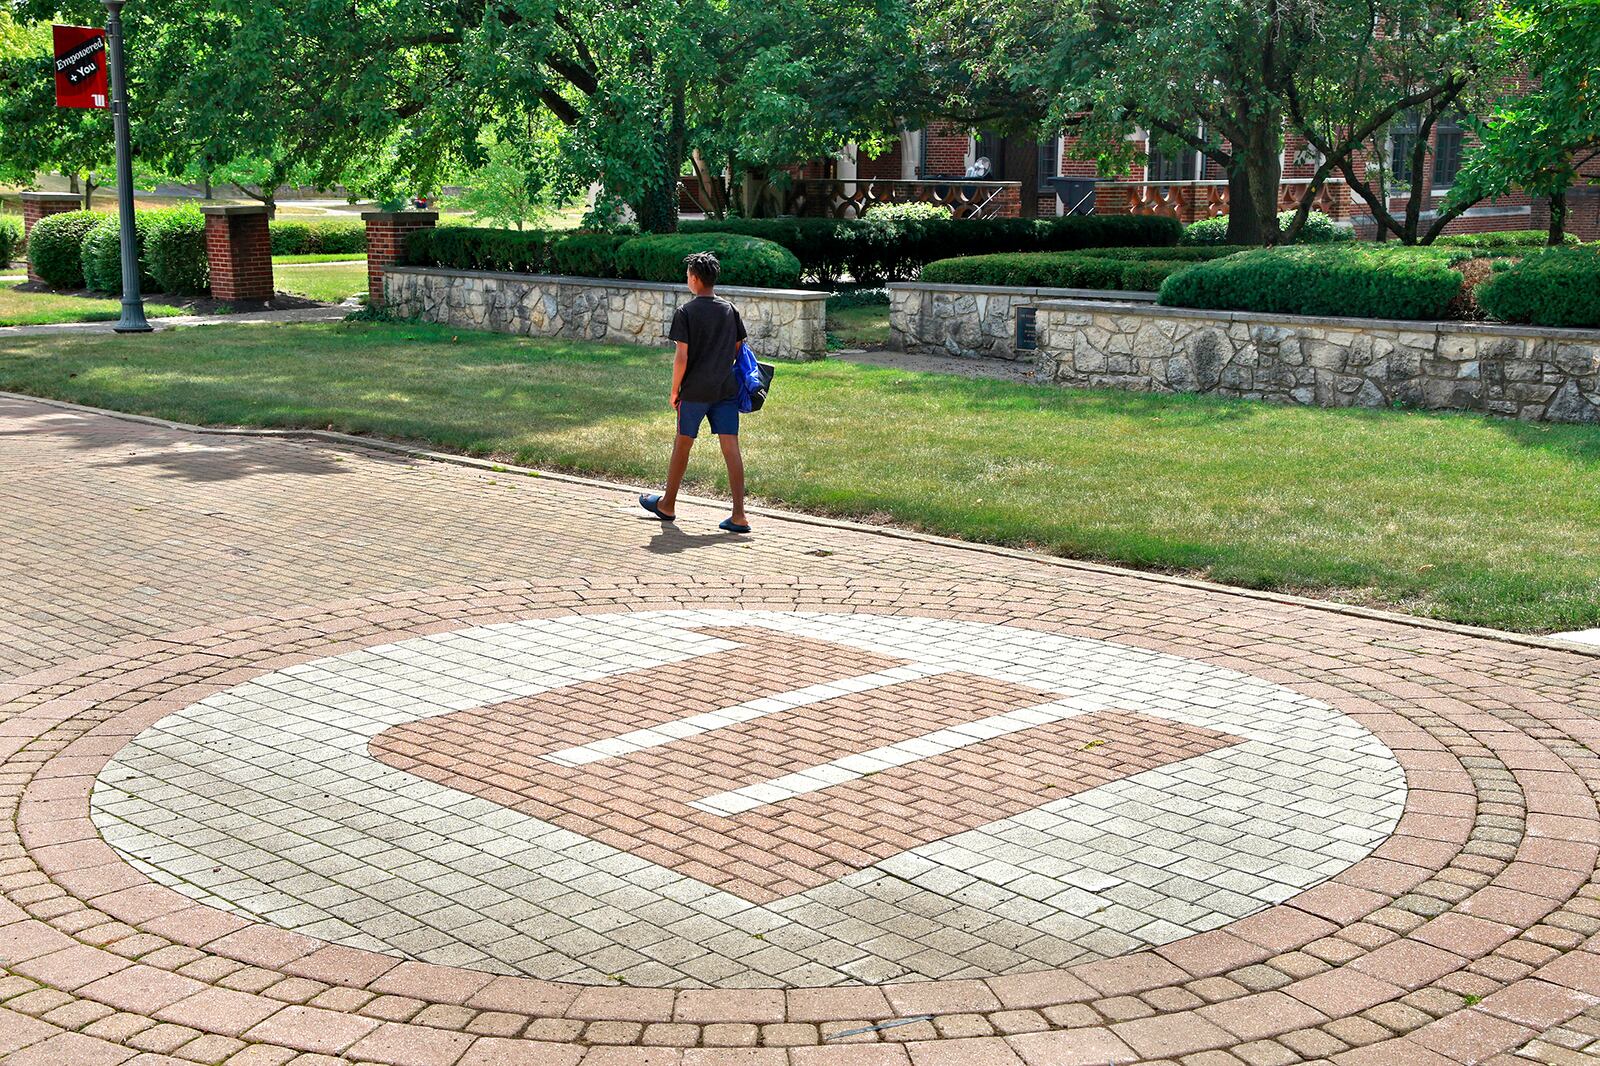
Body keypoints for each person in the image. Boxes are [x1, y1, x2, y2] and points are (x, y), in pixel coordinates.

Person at [639, 251, 751, 533]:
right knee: (731, 448)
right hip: (725, 389)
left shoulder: (685, 312)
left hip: (694, 392)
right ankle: (739, 515)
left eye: (688, 275)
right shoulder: (729, 310)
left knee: (683, 444)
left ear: (696, 279)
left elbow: (682, 358)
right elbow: (738, 348)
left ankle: (667, 504)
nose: (687, 279)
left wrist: (675, 390)